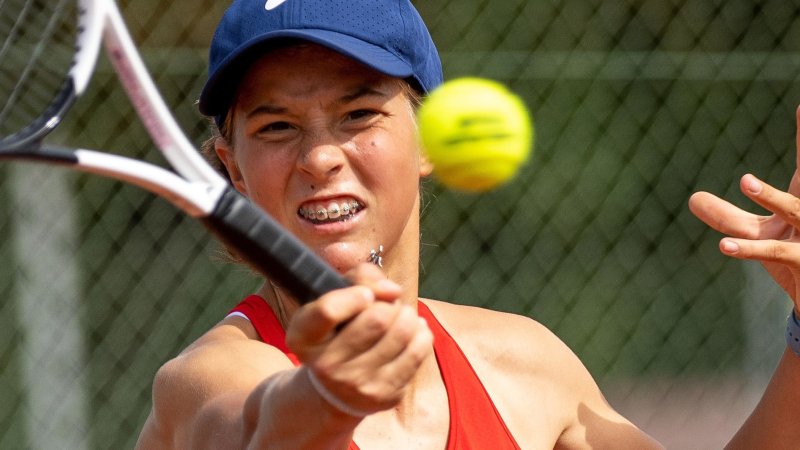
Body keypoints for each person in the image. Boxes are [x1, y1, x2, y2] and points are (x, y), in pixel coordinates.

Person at [135, 0, 800, 448]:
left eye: (358, 114)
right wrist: (323, 397)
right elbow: (260, 430)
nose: (319, 157)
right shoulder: (204, 381)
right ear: (234, 168)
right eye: (276, 126)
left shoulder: (525, 364)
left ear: (428, 138)